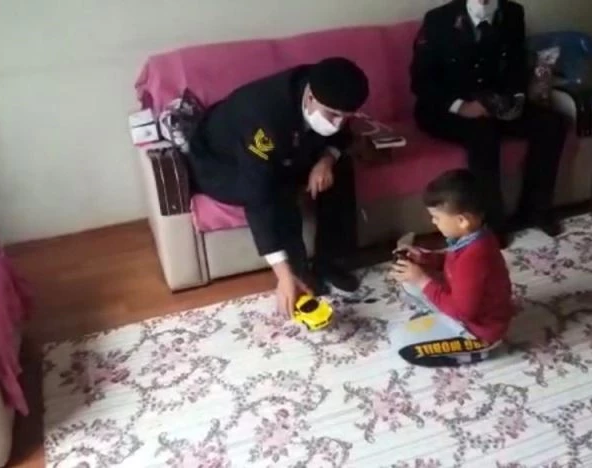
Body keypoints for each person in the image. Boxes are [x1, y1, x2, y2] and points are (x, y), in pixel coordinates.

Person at [187, 57, 369, 316]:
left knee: (340, 168)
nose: (338, 123)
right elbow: (257, 193)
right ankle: (296, 272)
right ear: (310, 97)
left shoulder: (329, 89)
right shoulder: (263, 116)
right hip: (223, 163)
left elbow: (341, 136)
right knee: (278, 189)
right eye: (333, 115)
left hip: (289, 150)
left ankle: (332, 262)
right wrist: (281, 271)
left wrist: (326, 160)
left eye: (346, 117)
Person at [410, 0, 568, 247]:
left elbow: (516, 64)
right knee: (483, 134)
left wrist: (515, 99)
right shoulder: (438, 19)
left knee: (552, 124)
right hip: (445, 108)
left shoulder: (513, 12)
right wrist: (462, 106)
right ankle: (492, 223)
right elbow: (421, 82)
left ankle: (536, 209)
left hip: (494, 103)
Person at [390, 169, 514, 367]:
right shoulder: (475, 236)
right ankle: (442, 321)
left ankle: (479, 350)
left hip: (479, 331)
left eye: (437, 217)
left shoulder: (475, 257)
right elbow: (451, 262)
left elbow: (463, 312)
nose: (433, 221)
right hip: (463, 304)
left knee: (405, 348)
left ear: (462, 221)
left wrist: (423, 280)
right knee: (410, 279)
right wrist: (425, 259)